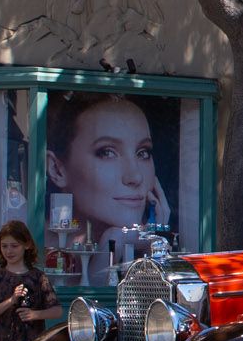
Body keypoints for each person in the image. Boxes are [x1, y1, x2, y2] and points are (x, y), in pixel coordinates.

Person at [46, 93, 171, 246]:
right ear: (57, 169)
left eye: (143, 153)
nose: (135, 177)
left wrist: (151, 240)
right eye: (107, 152)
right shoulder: (33, 245)